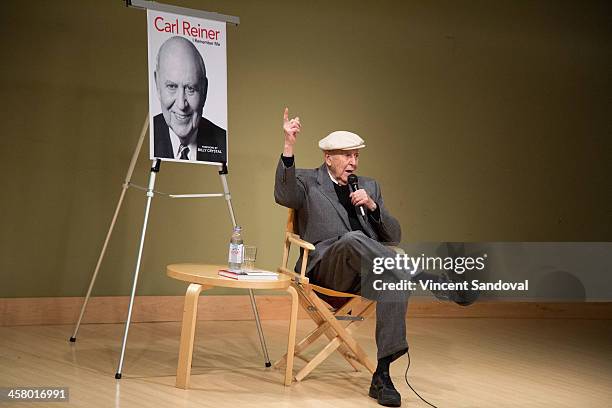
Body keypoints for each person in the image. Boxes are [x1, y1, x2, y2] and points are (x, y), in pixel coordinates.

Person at [274, 108, 477, 407]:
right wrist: (289, 145)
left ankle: (382, 376)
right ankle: (426, 278)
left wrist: (373, 207)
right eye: (346, 155)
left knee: (393, 279)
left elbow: (393, 237)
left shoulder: (369, 186)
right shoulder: (307, 180)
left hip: (367, 271)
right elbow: (284, 195)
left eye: (356, 155)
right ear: (328, 157)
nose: (353, 162)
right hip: (326, 269)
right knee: (355, 239)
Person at [153, 36, 226, 163]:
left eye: (190, 89)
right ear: (157, 85)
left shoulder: (223, 144)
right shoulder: (145, 139)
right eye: (172, 87)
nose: (181, 105)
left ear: (204, 90)